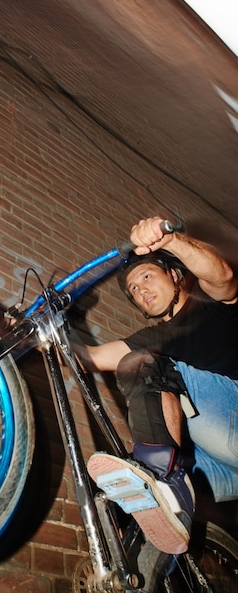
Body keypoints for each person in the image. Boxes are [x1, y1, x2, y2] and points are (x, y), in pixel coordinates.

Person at [78, 216, 238, 556]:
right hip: (225, 472)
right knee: (137, 489)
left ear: (176, 275)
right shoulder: (151, 338)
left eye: (147, 277)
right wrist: (40, 339)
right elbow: (89, 358)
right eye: (134, 290)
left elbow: (222, 276)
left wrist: (169, 242)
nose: (141, 291)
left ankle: (165, 478)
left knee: (150, 361)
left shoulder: (213, 310)